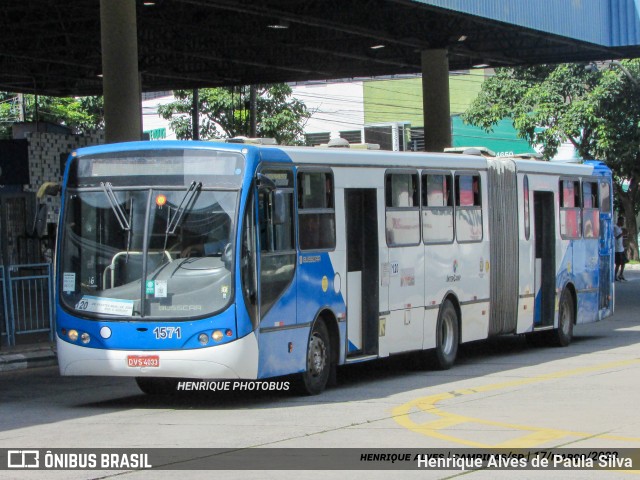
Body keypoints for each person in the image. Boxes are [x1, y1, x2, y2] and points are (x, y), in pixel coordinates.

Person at [614, 216, 627, 281]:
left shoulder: (620, 228)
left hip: (621, 248)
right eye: (622, 221)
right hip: (617, 249)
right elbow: (615, 238)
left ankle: (621, 274)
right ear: (619, 221)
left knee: (623, 262)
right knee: (618, 263)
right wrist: (622, 234)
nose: (623, 222)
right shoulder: (615, 228)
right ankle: (615, 275)